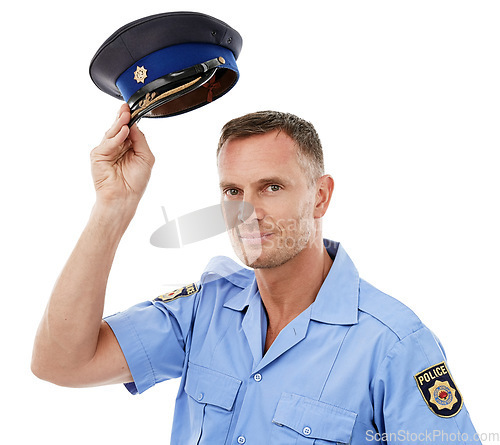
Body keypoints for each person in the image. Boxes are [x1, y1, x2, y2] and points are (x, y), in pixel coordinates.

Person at [32, 105, 481, 444]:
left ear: (320, 197)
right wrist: (113, 207)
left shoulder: (394, 345)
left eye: (272, 187)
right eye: (233, 191)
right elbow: (60, 362)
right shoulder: (203, 309)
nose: (248, 211)